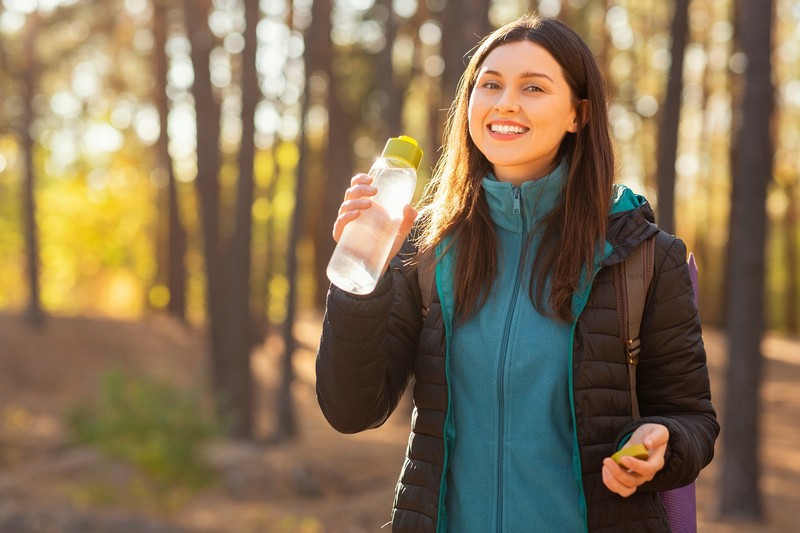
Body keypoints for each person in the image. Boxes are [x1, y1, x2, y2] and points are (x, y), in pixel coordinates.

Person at [316, 14, 719, 533]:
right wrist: (362, 277)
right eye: (490, 84)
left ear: (578, 114)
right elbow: (351, 411)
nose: (506, 102)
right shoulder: (427, 250)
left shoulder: (642, 257)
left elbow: (693, 419)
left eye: (533, 87)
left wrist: (664, 442)